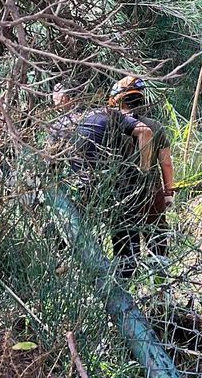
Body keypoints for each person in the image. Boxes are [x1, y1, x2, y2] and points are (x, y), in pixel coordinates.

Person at [62, 98, 154, 278]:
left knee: (77, 239)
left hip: (78, 190)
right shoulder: (107, 114)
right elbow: (145, 132)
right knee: (127, 247)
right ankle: (123, 285)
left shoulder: (61, 123)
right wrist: (144, 171)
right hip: (114, 188)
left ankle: (88, 278)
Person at [108, 76, 175, 262]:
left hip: (120, 196)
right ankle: (161, 287)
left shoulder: (111, 127)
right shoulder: (155, 127)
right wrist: (169, 192)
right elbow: (166, 163)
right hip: (151, 193)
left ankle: (124, 287)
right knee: (157, 246)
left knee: (125, 251)